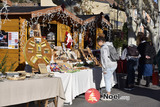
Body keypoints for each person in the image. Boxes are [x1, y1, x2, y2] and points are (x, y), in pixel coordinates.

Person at [97, 36, 117, 101]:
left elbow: (104, 59)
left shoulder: (104, 48)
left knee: (107, 80)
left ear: (101, 41)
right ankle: (109, 92)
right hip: (114, 64)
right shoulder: (110, 45)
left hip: (108, 65)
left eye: (98, 42)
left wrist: (104, 69)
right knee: (109, 78)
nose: (97, 44)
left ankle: (108, 95)